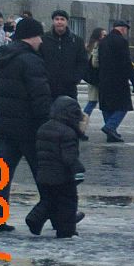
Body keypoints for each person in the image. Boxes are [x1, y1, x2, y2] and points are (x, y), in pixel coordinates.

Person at [0, 17, 52, 233]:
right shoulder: (31, 60)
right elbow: (40, 97)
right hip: (29, 127)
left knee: (1, 176)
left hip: (6, 126)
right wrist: (47, 123)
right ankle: (60, 216)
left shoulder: (4, 56)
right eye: (39, 36)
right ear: (31, 37)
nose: (41, 41)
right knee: (46, 174)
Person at [25, 96, 85, 238]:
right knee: (68, 203)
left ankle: (35, 218)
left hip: (44, 173)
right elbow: (69, 157)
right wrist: (78, 169)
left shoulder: (43, 127)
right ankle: (66, 231)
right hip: (62, 176)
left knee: (49, 200)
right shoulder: (68, 132)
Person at [97, 20, 134, 142]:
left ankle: (111, 133)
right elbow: (126, 62)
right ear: (123, 29)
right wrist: (133, 79)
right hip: (119, 79)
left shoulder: (103, 41)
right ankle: (110, 127)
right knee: (123, 105)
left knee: (107, 106)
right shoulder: (121, 41)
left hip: (103, 77)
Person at [40, 9, 87, 102]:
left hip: (69, 88)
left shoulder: (77, 41)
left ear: (67, 22)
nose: (59, 22)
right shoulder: (44, 39)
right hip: (48, 87)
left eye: (62, 19)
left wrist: (75, 78)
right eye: (57, 19)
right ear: (53, 21)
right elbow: (38, 60)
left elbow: (83, 62)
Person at [82, 27, 106, 123]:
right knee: (94, 102)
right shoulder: (97, 46)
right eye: (104, 35)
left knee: (94, 101)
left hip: (91, 77)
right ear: (99, 36)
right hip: (96, 77)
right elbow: (95, 63)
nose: (106, 37)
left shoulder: (90, 45)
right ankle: (82, 121)